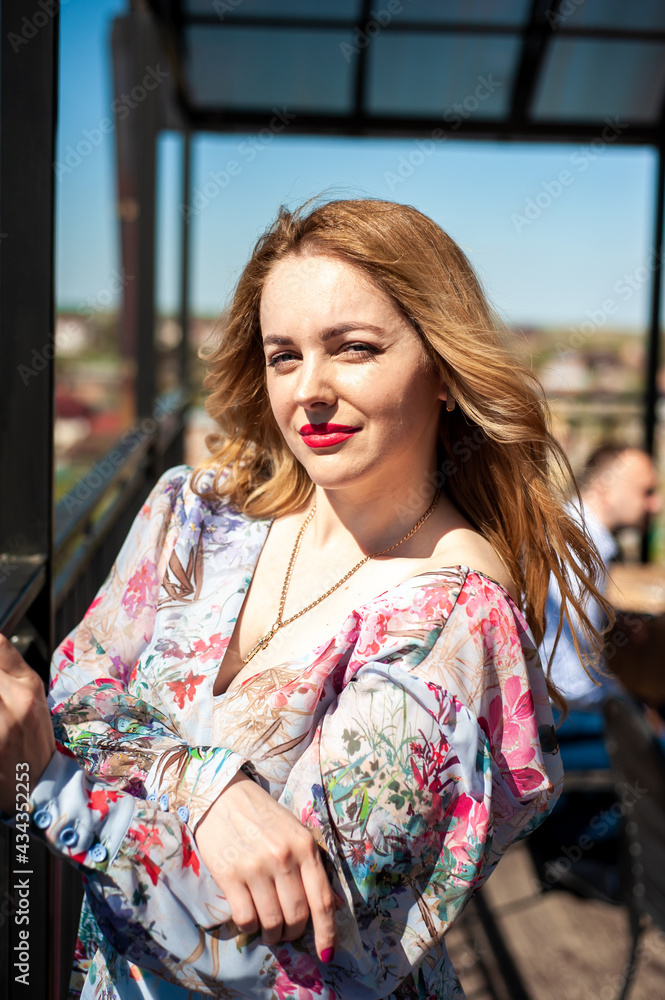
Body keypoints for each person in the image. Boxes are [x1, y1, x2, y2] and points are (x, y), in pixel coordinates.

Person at [0, 198, 609, 1000]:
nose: (309, 390)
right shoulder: (201, 513)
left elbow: (268, 957)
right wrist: (207, 789)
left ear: (444, 371)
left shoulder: (452, 628)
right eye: (283, 356)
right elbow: (78, 683)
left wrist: (47, 784)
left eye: (353, 349)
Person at [540, 443, 661, 712]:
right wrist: (628, 706)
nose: (656, 504)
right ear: (603, 489)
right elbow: (572, 677)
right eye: (646, 492)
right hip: (568, 715)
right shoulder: (575, 546)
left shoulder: (580, 538)